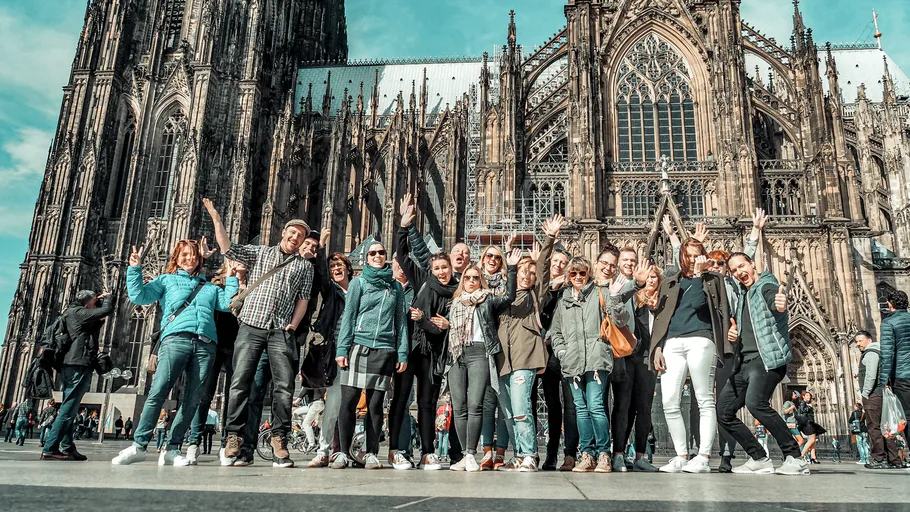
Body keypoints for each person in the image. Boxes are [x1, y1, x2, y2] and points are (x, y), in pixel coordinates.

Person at [203, 198, 315, 469]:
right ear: (283, 233)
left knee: (284, 387)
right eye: (292, 233)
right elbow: (228, 249)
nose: (295, 238)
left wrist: (294, 324)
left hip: (280, 330)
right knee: (240, 383)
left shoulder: (304, 267)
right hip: (251, 326)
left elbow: (303, 299)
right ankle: (233, 437)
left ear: (302, 242)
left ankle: (279, 438)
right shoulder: (261, 253)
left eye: (300, 236)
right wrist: (217, 220)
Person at [111, 240, 239, 466]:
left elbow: (229, 304)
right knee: (158, 391)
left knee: (192, 400)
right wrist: (134, 268)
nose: (189, 259)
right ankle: (139, 445)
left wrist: (230, 277)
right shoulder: (166, 280)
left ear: (199, 260)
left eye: (193, 255)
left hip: (205, 345)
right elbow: (140, 297)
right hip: (175, 340)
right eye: (184, 255)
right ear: (176, 259)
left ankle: (172, 448)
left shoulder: (209, 287)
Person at [718, 251, 808, 476]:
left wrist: (780, 304)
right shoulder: (744, 294)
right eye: (734, 270)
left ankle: (795, 457)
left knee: (756, 403)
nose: (739, 272)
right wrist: (735, 331)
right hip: (745, 363)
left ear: (752, 263)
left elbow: (773, 299)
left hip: (766, 360)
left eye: (742, 266)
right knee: (723, 411)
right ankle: (758, 457)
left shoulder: (766, 285)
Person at [389, 195, 458, 471]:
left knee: (427, 403)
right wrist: (404, 227)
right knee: (402, 398)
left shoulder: (457, 291)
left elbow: (446, 326)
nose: (441, 271)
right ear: (432, 268)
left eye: (445, 268)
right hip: (412, 348)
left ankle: (428, 453)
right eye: (438, 267)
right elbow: (403, 256)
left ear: (452, 269)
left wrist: (428, 321)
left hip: (433, 353)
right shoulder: (421, 280)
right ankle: (395, 450)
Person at [651, 238, 730, 473]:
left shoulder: (713, 280)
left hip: (700, 340)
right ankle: (681, 455)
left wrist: (698, 276)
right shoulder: (670, 282)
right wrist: (657, 347)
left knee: (704, 399)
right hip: (672, 342)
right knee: (669, 401)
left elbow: (697, 303)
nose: (694, 259)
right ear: (681, 257)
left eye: (698, 255)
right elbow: (662, 317)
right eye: (689, 255)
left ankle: (703, 457)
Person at [493, 215, 565, 472]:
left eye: (531, 272)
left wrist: (549, 239)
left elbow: (544, 267)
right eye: (523, 271)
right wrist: (507, 253)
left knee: (522, 408)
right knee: (510, 412)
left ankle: (530, 456)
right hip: (503, 359)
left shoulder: (538, 294)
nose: (528, 276)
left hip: (525, 358)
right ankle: (519, 454)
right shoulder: (503, 295)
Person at [331, 241, 410, 470]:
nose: (377, 255)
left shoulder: (395, 287)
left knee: (375, 405)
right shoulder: (358, 283)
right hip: (359, 345)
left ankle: (372, 452)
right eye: (372, 253)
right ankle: (343, 453)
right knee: (349, 402)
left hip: (385, 350)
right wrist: (342, 349)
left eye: (381, 252)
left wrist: (402, 353)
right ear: (366, 258)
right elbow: (349, 317)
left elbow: (401, 323)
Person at [551, 256, 631, 473]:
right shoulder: (564, 300)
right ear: (568, 276)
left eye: (582, 273)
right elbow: (555, 331)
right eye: (574, 273)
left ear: (588, 274)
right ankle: (587, 454)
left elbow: (620, 320)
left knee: (596, 406)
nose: (578, 277)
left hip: (596, 360)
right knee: (581, 410)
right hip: (572, 362)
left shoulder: (601, 293)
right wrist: (561, 352)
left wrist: (614, 297)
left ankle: (604, 453)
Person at [447, 255, 519, 472]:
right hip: (456, 354)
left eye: (475, 278)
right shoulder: (455, 302)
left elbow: (509, 296)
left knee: (474, 405)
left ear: (481, 280)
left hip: (480, 352)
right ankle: (463, 455)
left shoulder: (487, 299)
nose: (471, 280)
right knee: (458, 407)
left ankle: (471, 453)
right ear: (463, 281)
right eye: (467, 278)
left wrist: (513, 268)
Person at [40, 289, 114, 461]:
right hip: (77, 364)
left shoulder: (73, 313)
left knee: (70, 408)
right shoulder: (77, 312)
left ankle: (67, 447)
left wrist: (99, 303)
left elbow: (97, 318)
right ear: (88, 302)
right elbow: (105, 312)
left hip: (72, 364)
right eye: (94, 301)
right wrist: (108, 298)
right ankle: (50, 447)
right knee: (68, 409)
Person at [187, 258, 247, 464]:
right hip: (212, 342)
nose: (241, 266)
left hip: (238, 346)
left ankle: (226, 445)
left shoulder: (253, 286)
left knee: (234, 397)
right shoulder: (215, 286)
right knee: (204, 395)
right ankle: (193, 443)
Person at [307, 249, 355, 468]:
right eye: (332, 266)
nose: (336, 269)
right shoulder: (330, 291)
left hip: (359, 352)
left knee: (354, 405)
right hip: (336, 354)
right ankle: (323, 450)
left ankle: (346, 451)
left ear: (348, 268)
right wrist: (321, 248)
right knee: (334, 404)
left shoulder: (358, 289)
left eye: (340, 265)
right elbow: (322, 277)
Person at [536, 247, 579, 471]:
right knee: (542, 402)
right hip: (539, 352)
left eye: (564, 262)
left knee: (564, 404)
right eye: (556, 260)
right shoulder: (540, 286)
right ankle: (541, 453)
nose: (559, 265)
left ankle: (565, 454)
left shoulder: (570, 290)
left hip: (562, 352)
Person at [622, 265, 664, 472]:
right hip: (630, 357)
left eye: (654, 277)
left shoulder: (664, 301)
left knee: (644, 408)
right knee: (626, 408)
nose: (651, 280)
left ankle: (640, 456)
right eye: (648, 277)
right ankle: (618, 453)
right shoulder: (633, 298)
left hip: (649, 358)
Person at [855, 330, 900, 469]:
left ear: (869, 340)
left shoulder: (871, 354)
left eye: (860, 341)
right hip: (881, 394)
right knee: (885, 427)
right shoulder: (880, 352)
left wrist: (865, 393)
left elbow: (871, 375)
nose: (857, 344)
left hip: (873, 395)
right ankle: (894, 459)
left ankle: (879, 458)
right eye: (856, 341)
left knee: (874, 427)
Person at [878, 290, 910, 426]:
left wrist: (883, 381)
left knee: (907, 416)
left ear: (890, 304)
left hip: (902, 377)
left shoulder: (888, 323)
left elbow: (887, 354)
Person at [798, 391, 825, 464]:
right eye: (807, 395)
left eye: (809, 395)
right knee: (812, 440)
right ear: (803, 396)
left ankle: (813, 457)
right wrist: (809, 407)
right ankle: (802, 455)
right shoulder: (803, 403)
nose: (809, 397)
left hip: (810, 423)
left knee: (813, 442)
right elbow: (802, 411)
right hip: (808, 424)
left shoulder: (806, 404)